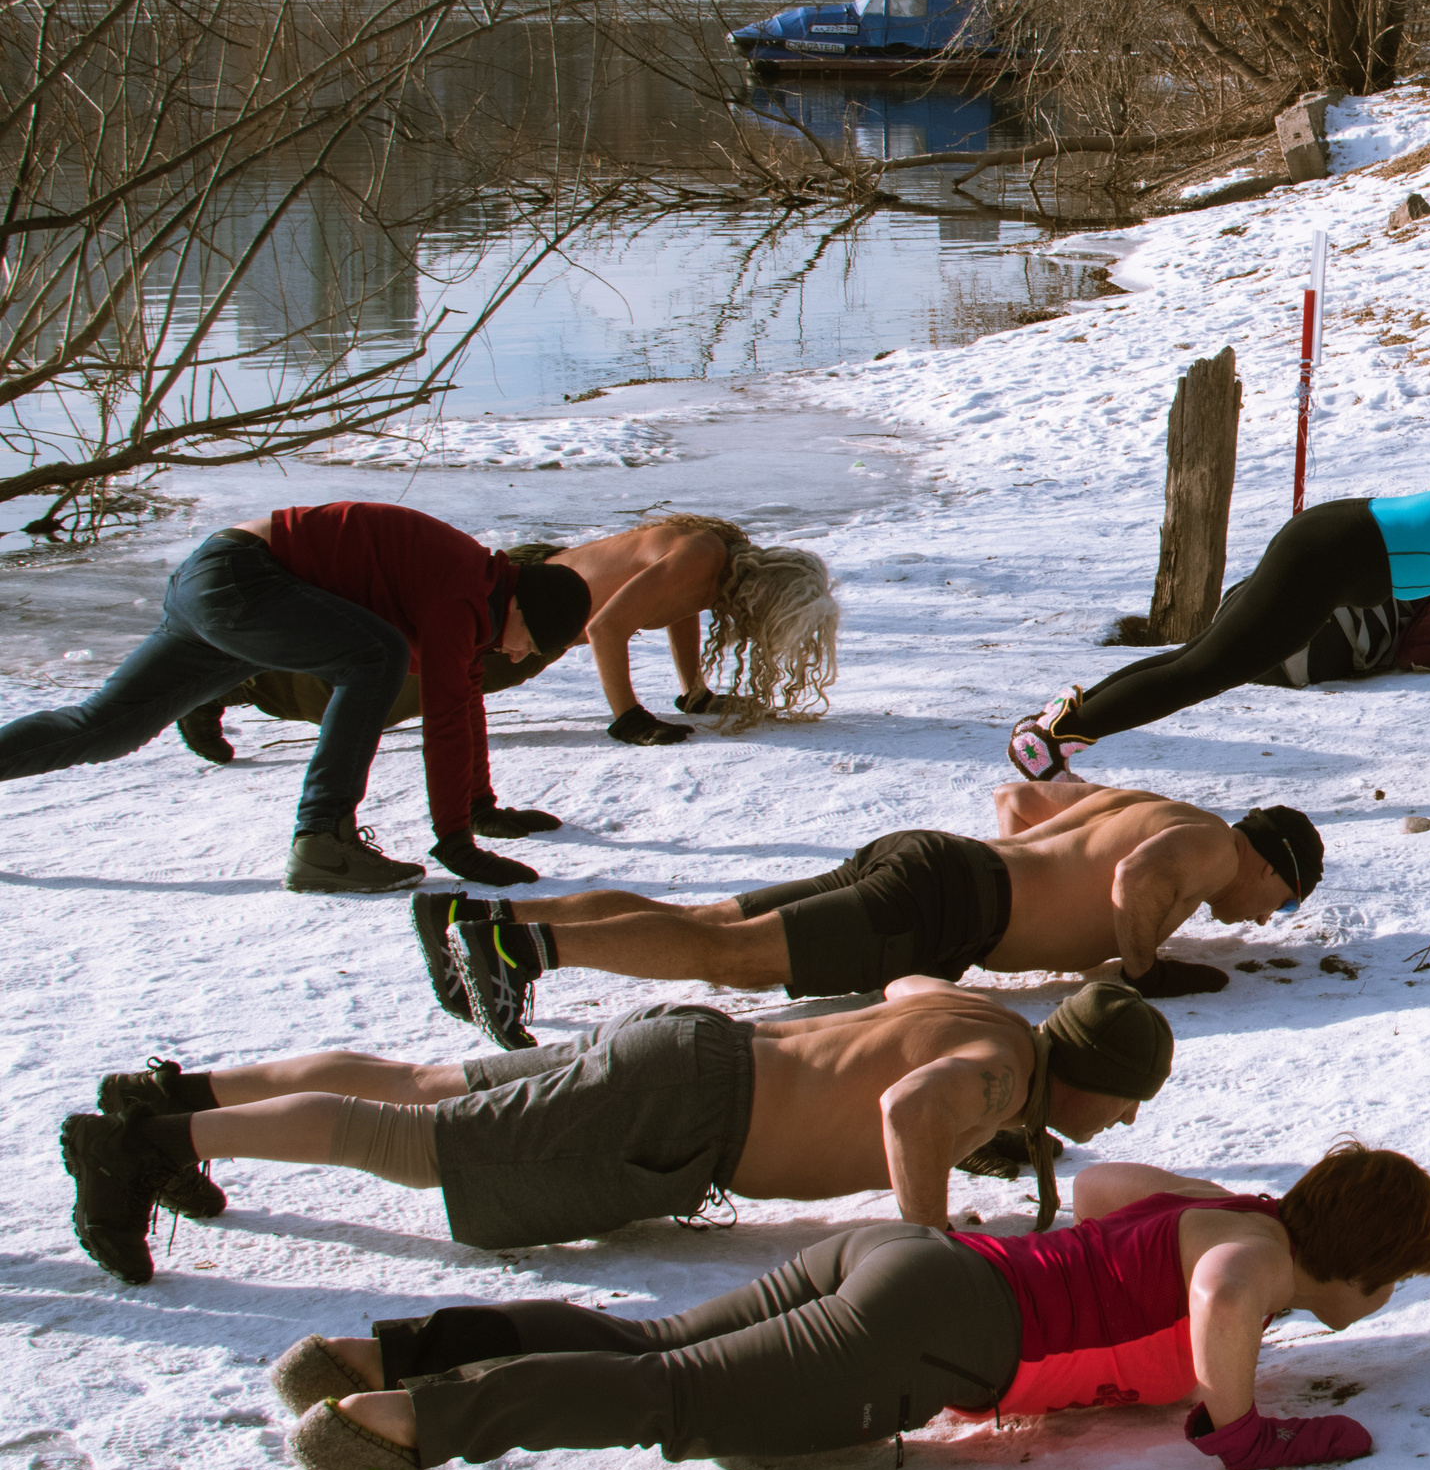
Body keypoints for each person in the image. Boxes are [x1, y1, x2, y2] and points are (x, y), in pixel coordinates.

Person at [268, 1142, 1430, 1470]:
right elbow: (1227, 1425)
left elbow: (1100, 1194)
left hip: (913, 1261)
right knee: (673, 1395)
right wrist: (1292, 1431)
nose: (1382, 1303)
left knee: (651, 1342)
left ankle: (376, 1358)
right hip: (933, 1327)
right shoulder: (1251, 1268)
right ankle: (394, 1429)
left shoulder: (1232, 1217)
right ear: (1358, 1257)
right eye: (1390, 1281)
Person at [58, 977, 1170, 1287]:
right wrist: (933, 1244)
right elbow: (903, 1111)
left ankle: (169, 1096)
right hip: (684, 1106)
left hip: (689, 1049)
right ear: (1088, 1074)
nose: (1115, 1123)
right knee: (410, 1142)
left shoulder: (979, 1015)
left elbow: (894, 992)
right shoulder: (994, 1070)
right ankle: (154, 1148)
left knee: (421, 1081)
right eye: (1122, 1103)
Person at [421, 780, 1323, 1047]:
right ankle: (525, 949)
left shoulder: (1155, 802)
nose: (1260, 919)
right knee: (728, 955)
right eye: (1278, 905)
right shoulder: (1208, 848)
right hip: (940, 905)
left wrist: (1037, 888)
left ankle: (477, 917)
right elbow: (1132, 884)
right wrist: (1142, 967)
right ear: (1269, 864)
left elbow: (1019, 803)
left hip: (932, 862)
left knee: (706, 914)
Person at [0, 502, 591, 892]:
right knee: (376, 655)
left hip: (216, 579)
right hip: (242, 578)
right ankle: (322, 839)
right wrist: (456, 843)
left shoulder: (475, 591)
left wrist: (481, 808)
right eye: (529, 645)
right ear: (520, 608)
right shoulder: (463, 593)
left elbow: (463, 703)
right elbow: (442, 719)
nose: (517, 657)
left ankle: (321, 833)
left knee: (106, 729)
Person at [1007, 488, 1430, 786]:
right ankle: (1054, 737)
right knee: (1206, 671)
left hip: (1333, 545)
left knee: (1198, 661)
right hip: (1328, 559)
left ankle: (1062, 723)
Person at [180, 514, 840, 759]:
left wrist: (693, 691)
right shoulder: (704, 559)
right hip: (521, 613)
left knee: (382, 656)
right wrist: (628, 717)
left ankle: (232, 674)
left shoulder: (714, 558)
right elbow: (606, 625)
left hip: (531, 585)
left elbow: (671, 605)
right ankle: (229, 683)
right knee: (386, 691)